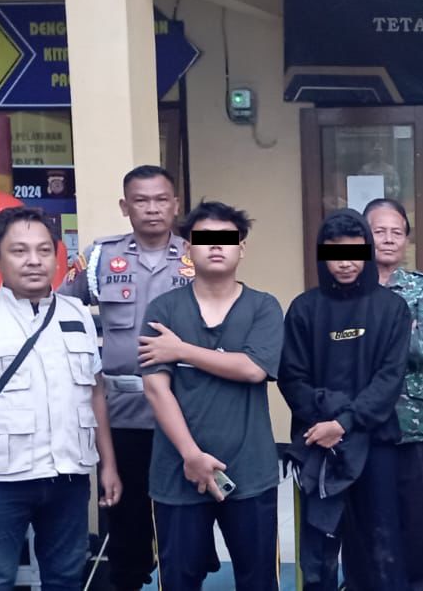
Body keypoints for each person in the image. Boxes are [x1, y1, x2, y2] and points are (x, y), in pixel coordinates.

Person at [0, 207, 122, 591]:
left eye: (43, 250)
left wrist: (108, 465)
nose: (34, 261)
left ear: (57, 257)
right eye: (19, 251)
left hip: (68, 476)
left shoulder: (78, 314)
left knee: (66, 578)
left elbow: (95, 393)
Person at [58, 164, 191, 591]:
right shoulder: (99, 255)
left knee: (183, 520)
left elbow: (232, 294)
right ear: (124, 206)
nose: (152, 209)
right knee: (125, 517)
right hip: (121, 412)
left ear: (175, 204)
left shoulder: (199, 250)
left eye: (161, 200)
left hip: (185, 409)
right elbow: (60, 310)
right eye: (141, 200)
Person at [140, 202, 284, 591]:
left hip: (250, 472)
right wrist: (192, 456)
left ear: (241, 248)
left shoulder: (263, 307)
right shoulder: (163, 309)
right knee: (179, 580)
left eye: (227, 239)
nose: (216, 246)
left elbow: (253, 369)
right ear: (188, 248)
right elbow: (156, 388)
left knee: (259, 581)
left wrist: (181, 350)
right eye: (205, 239)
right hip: (177, 472)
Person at [281, 209, 411, 590]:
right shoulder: (304, 309)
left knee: (382, 546)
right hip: (319, 443)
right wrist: (329, 422)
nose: (345, 262)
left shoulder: (392, 308)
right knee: (319, 554)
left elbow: (389, 379)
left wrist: (344, 422)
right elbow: (291, 378)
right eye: (335, 252)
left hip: (375, 442)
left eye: (354, 252)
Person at [365, 198, 423, 591]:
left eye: (396, 232)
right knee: (370, 523)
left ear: (406, 239)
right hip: (362, 425)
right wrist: (402, 331)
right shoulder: (349, 288)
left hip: (414, 426)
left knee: (420, 525)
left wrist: (371, 339)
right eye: (379, 231)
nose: (388, 239)